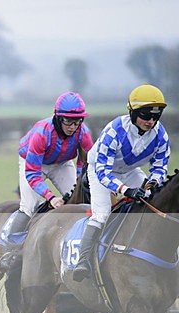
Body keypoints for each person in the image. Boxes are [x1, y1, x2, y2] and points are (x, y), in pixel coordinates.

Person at [73, 84, 170, 282]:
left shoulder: (161, 135)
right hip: (100, 170)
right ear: (133, 112)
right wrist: (127, 190)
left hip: (129, 170)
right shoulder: (115, 131)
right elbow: (103, 172)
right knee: (101, 214)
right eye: (145, 115)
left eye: (156, 116)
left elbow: (160, 168)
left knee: (152, 201)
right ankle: (82, 262)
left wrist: (151, 185)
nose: (150, 121)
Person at [0, 92, 94, 272]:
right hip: (34, 164)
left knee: (82, 201)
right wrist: (50, 198)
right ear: (58, 117)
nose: (73, 127)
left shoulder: (84, 133)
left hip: (62, 163)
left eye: (78, 121)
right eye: (68, 121)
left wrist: (81, 181)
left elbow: (86, 163)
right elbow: (33, 174)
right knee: (29, 206)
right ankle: (10, 251)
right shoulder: (42, 133)